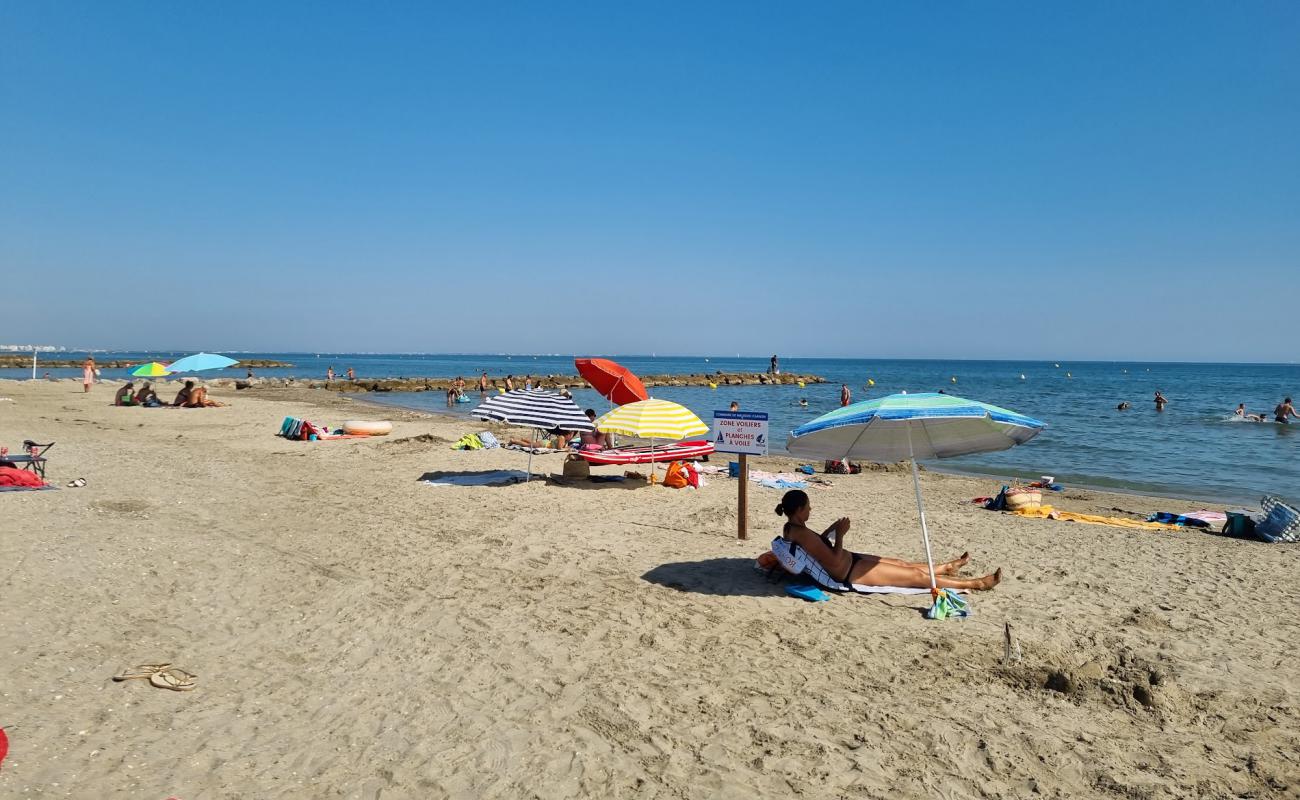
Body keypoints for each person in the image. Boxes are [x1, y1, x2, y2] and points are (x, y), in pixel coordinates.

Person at [775, 489, 1001, 590]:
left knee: (902, 564)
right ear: (799, 509)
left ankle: (947, 567)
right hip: (848, 572)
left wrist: (831, 530)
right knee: (915, 576)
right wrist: (841, 535)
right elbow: (833, 560)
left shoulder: (792, 528)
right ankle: (976, 583)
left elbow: (818, 549)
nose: (811, 510)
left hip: (851, 561)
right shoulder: (801, 533)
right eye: (808, 506)